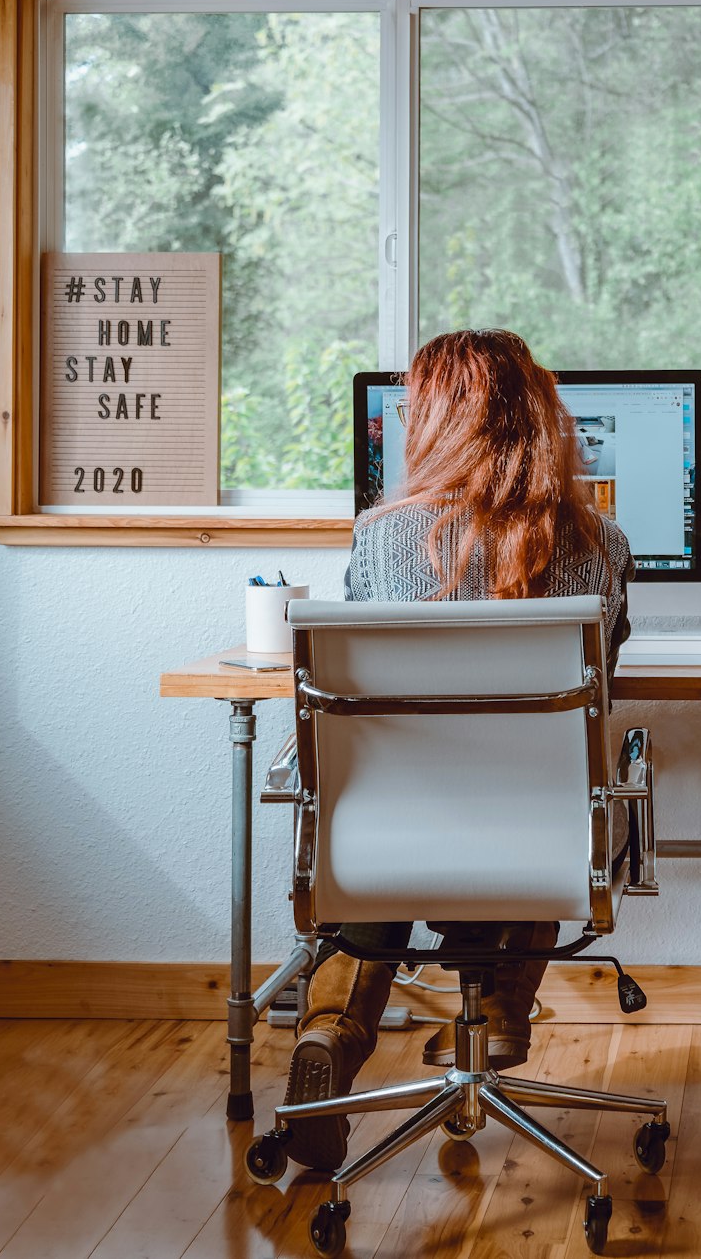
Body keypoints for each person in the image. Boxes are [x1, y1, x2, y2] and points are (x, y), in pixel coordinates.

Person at [283, 328, 633, 1170]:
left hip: (392, 840)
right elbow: (600, 694)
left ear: (432, 423)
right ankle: (505, 1007)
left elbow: (363, 704)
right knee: (555, 788)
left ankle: (331, 1033)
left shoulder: (377, 537)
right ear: (544, 419)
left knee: (377, 792)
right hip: (540, 847)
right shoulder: (603, 547)